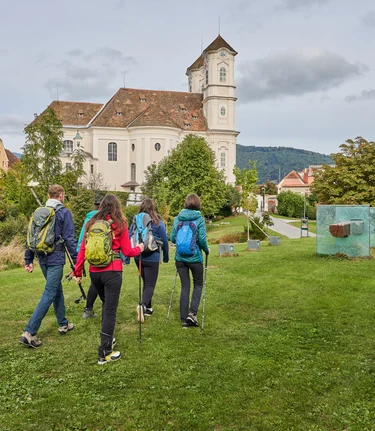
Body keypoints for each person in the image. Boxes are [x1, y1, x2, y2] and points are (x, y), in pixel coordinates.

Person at [73, 194, 144, 364]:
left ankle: (108, 339)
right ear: (117, 207)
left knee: (106, 306)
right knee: (110, 310)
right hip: (112, 272)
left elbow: (83, 248)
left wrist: (77, 271)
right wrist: (139, 248)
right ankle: (104, 352)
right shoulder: (120, 224)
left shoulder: (91, 223)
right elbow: (127, 251)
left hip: (94, 272)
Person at [19, 184, 77, 348]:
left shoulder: (39, 212)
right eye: (63, 195)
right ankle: (29, 332)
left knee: (56, 289)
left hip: (41, 257)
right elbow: (70, 239)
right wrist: (77, 261)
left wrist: (28, 259)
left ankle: (63, 324)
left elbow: (31, 236)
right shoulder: (63, 213)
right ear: (60, 195)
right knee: (50, 292)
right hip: (56, 258)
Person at [170, 193, 209, 328]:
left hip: (180, 258)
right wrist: (207, 250)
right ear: (198, 203)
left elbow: (173, 238)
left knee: (185, 286)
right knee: (198, 284)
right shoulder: (199, 219)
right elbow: (203, 240)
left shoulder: (177, 219)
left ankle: (183, 318)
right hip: (195, 257)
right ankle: (192, 314)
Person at [132, 198, 169, 323]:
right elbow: (164, 240)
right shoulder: (158, 221)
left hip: (139, 256)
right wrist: (165, 256)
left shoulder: (136, 220)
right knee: (150, 284)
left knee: (146, 282)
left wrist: (127, 256)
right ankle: (142, 306)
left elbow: (129, 236)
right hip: (153, 256)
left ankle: (148, 308)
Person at [76, 196, 102, 319]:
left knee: (95, 283)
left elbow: (82, 238)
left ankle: (88, 309)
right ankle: (107, 309)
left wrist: (79, 255)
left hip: (90, 253)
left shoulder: (89, 218)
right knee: (105, 282)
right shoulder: (107, 218)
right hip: (104, 254)